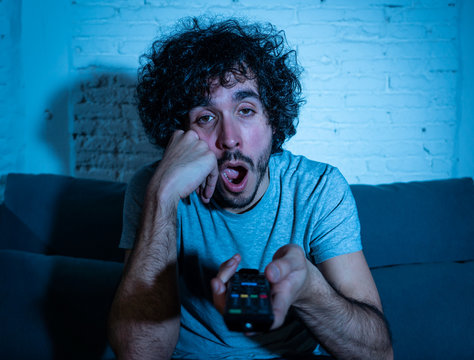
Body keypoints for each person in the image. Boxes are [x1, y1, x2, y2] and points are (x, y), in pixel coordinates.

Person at [108, 17, 393, 360]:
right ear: (180, 135)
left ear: (273, 119)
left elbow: (379, 355)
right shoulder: (154, 188)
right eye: (205, 117)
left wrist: (308, 290)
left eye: (245, 110)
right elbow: (138, 354)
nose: (229, 138)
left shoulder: (319, 189)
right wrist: (163, 195)